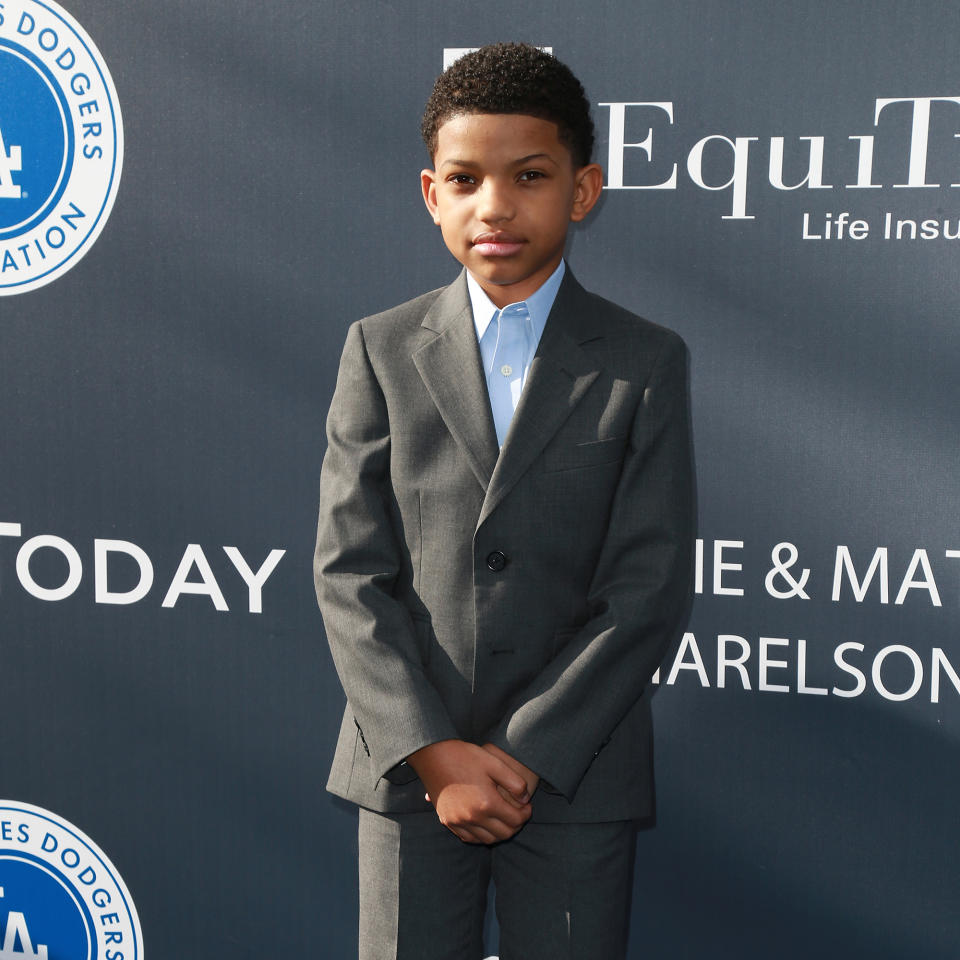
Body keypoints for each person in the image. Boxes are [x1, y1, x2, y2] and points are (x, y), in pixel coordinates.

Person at [315, 41, 694, 960]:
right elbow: (349, 571)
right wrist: (435, 753)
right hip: (410, 773)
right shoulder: (380, 347)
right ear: (431, 194)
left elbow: (647, 588)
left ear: (583, 188)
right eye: (466, 177)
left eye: (528, 175)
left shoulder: (645, 361)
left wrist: (524, 754)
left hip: (573, 777)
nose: (496, 205)